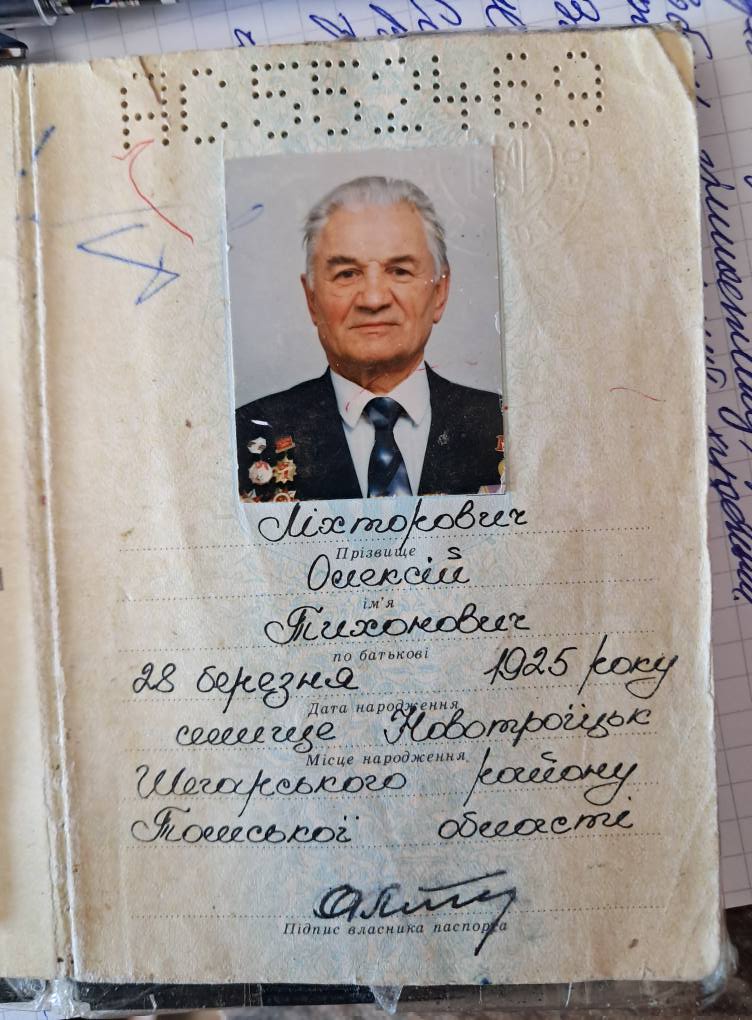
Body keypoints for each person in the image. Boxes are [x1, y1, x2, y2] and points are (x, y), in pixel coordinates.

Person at [235, 176, 504, 502]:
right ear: (311, 299)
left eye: (400, 271)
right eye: (347, 274)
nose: (374, 300)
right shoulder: (243, 438)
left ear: (440, 292)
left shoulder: (504, 425)